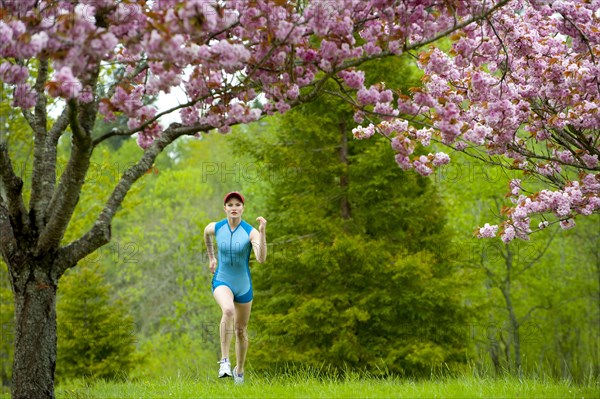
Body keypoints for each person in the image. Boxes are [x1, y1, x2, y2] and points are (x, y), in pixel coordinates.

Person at [204, 191, 267, 384]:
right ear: (225, 208)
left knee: (241, 331)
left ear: (243, 209)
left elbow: (261, 258)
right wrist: (211, 257)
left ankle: (239, 370)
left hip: (243, 286)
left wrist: (262, 232)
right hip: (222, 280)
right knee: (228, 310)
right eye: (230, 205)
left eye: (237, 205)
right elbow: (206, 234)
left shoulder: (251, 232)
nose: (234, 208)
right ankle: (224, 361)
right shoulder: (217, 227)